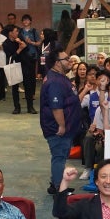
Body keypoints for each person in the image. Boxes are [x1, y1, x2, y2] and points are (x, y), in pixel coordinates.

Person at [40, 48, 81, 195]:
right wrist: (62, 125)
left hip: (66, 128)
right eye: (66, 59)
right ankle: (59, 188)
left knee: (60, 156)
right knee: (59, 157)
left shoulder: (60, 77)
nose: (70, 61)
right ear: (57, 63)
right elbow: (56, 107)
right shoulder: (55, 82)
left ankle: (55, 183)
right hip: (58, 129)